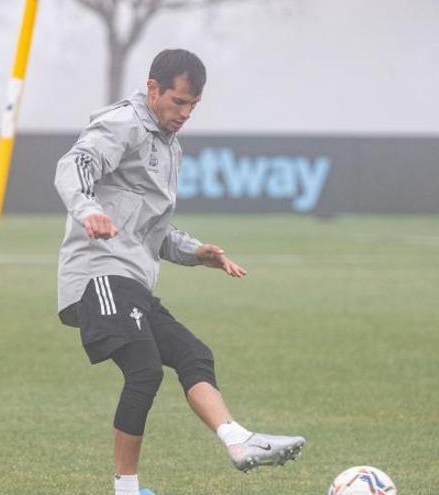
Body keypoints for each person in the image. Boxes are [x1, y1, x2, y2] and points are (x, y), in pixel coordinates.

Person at [54, 48, 304, 495]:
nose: (185, 113)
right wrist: (88, 208)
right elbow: (73, 165)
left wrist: (196, 252)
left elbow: (154, 231)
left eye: (193, 106)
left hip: (131, 279)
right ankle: (126, 490)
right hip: (99, 275)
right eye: (179, 102)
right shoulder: (124, 123)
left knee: (194, 354)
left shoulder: (171, 148)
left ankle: (237, 440)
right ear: (153, 89)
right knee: (145, 370)